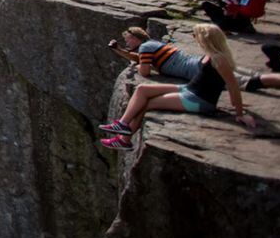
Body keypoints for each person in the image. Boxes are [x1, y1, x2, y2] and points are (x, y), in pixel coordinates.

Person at [99, 24, 251, 149]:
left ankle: (124, 140)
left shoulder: (219, 60)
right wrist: (120, 50)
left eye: (196, 36)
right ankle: (123, 124)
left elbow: (232, 86)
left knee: (147, 104)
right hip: (190, 89)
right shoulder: (211, 54)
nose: (194, 38)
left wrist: (239, 113)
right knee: (142, 89)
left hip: (199, 99)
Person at [106, 27, 260, 90]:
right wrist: (118, 50)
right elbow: (138, 58)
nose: (126, 42)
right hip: (201, 61)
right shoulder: (153, 45)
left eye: (128, 39)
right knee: (249, 75)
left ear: (135, 38)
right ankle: (273, 79)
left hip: (196, 70)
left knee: (245, 83)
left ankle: (277, 81)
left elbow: (144, 70)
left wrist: (138, 68)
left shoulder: (146, 48)